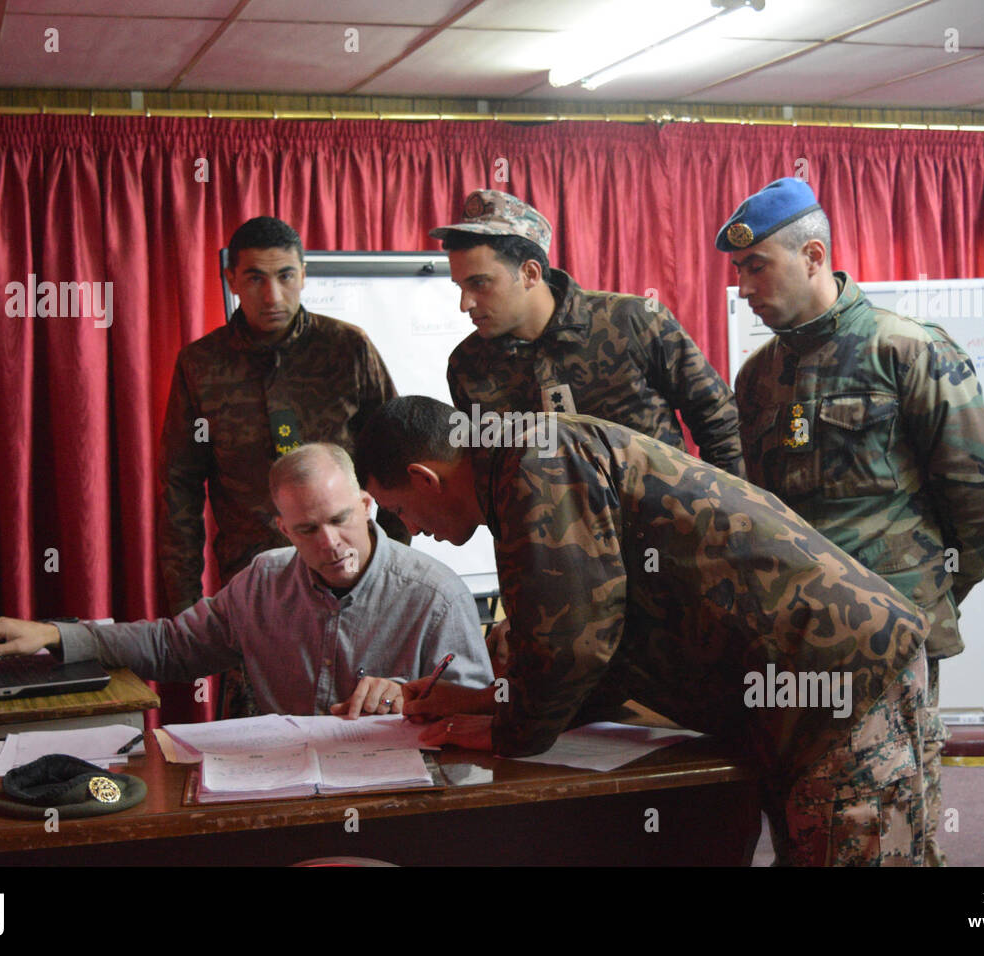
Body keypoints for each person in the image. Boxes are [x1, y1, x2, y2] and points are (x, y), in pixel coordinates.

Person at [355, 396, 933, 866]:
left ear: (423, 477)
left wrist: (499, 731)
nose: (412, 531)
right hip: (826, 669)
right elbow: (604, 640)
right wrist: (486, 699)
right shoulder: (524, 455)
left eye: (400, 511)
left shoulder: (534, 459)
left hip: (834, 676)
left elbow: (573, 645)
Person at [716, 177, 984, 866]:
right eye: (738, 271)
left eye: (755, 266)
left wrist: (920, 598)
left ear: (813, 256)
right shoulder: (758, 377)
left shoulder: (907, 351)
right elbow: (758, 514)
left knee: (883, 824)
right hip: (793, 644)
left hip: (886, 650)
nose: (743, 287)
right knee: (804, 824)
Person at [0, 444, 493, 718]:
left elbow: (479, 708)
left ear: (365, 505)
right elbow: (171, 646)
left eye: (340, 520)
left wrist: (412, 699)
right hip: (285, 794)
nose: (331, 543)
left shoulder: (435, 594)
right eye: (308, 530)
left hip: (396, 803)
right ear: (283, 529)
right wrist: (57, 634)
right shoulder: (263, 581)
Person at [158, 215, 405, 620]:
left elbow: (393, 461)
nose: (273, 295)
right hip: (252, 578)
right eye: (255, 279)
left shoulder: (348, 348)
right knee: (257, 682)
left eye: (286, 276)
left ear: (304, 276)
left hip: (351, 571)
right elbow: (178, 488)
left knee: (359, 684)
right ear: (231, 280)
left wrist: (395, 570)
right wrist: (185, 605)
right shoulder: (201, 364)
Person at [433, 189, 745, 477]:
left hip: (660, 532)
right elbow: (488, 473)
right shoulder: (468, 365)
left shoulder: (632, 322)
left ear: (530, 273)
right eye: (460, 287)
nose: (465, 304)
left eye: (479, 284)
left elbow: (719, 422)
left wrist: (725, 520)